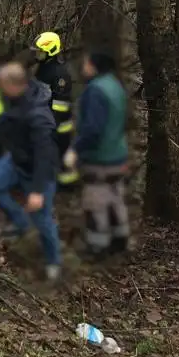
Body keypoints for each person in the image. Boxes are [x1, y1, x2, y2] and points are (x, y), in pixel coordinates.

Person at [0, 53, 62, 282]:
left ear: (15, 87)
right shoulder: (15, 95)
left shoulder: (40, 117)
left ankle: (53, 263)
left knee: (43, 220)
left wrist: (36, 191)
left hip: (39, 170)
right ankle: (21, 221)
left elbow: (45, 154)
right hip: (15, 159)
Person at [64, 48, 130, 258]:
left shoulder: (95, 91)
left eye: (86, 63)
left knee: (96, 203)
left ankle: (97, 247)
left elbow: (92, 129)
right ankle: (120, 239)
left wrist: (75, 150)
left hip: (100, 157)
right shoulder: (115, 85)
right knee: (116, 196)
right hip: (118, 154)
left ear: (94, 66)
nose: (83, 67)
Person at [33, 31, 78, 188]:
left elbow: (60, 104)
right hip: (46, 120)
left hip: (59, 124)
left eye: (40, 51)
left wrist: (51, 124)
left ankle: (69, 185)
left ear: (50, 51)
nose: (37, 55)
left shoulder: (60, 74)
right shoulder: (43, 68)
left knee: (62, 154)